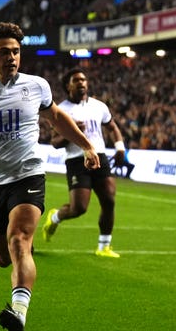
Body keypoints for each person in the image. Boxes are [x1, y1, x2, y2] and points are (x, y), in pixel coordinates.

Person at [0, 23, 100, 331]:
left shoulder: (36, 86)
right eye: (4, 52)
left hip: (27, 175)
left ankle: (18, 313)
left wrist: (86, 145)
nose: (12, 57)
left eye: (16, 51)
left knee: (20, 240)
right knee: (3, 258)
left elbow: (56, 117)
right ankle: (16, 297)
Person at [42, 68, 126, 258]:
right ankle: (55, 217)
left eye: (84, 80)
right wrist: (71, 133)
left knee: (109, 200)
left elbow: (112, 127)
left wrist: (120, 147)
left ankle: (104, 246)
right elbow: (54, 143)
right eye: (76, 80)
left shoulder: (99, 106)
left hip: (100, 156)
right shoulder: (60, 110)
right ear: (68, 85)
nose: (81, 83)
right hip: (76, 160)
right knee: (79, 208)